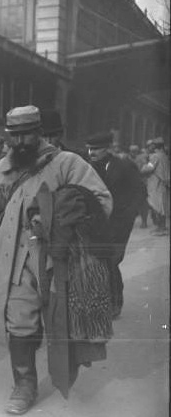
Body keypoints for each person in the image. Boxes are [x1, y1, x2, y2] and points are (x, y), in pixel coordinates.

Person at [0, 105, 112, 415]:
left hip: (58, 258)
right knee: (18, 322)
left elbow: (100, 201)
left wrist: (59, 216)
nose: (20, 142)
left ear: (40, 132)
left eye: (27, 134)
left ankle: (65, 371)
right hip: (14, 261)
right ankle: (24, 384)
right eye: (14, 135)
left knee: (63, 321)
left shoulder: (67, 163)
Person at [86, 132, 145, 319]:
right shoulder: (87, 167)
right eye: (89, 148)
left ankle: (115, 303)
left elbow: (139, 191)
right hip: (97, 223)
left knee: (111, 261)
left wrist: (129, 216)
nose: (91, 152)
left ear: (107, 148)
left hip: (119, 224)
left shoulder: (124, 165)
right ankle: (101, 300)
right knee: (99, 261)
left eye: (95, 149)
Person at [141, 137, 170, 235]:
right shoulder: (164, 156)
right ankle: (162, 227)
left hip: (156, 184)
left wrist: (142, 168)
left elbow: (148, 169)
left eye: (152, 145)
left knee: (156, 205)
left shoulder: (155, 156)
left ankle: (160, 228)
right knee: (162, 205)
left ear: (155, 146)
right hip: (163, 184)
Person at [130, 144, 149, 228]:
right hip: (130, 184)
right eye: (132, 151)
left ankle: (144, 221)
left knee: (143, 203)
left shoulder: (142, 159)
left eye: (135, 151)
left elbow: (144, 169)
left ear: (138, 151)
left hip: (141, 183)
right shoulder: (127, 158)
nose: (133, 152)